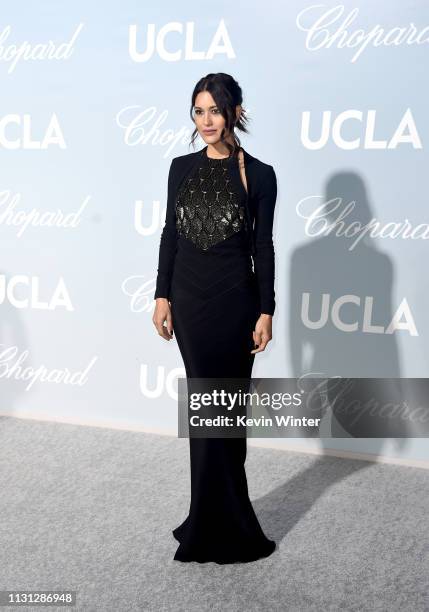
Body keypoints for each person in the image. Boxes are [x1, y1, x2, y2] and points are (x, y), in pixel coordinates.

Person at [152, 73, 278, 563]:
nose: (206, 121)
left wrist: (266, 309)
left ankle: (228, 519)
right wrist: (162, 296)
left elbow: (262, 246)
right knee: (204, 409)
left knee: (226, 412)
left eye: (215, 111)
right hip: (189, 304)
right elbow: (170, 234)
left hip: (235, 303)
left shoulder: (260, 174)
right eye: (198, 111)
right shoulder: (180, 167)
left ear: (236, 112)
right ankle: (206, 516)